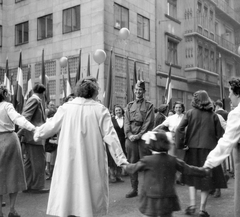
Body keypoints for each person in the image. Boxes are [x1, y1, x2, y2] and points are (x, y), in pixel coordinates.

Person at [33, 76, 128, 217]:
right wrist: (121, 160)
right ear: (94, 92)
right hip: (92, 160)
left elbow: (50, 126)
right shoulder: (100, 109)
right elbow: (111, 137)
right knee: (90, 195)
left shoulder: (66, 108)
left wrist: (37, 133)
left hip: (69, 159)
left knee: (69, 193)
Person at [123, 130, 209, 217]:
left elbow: (133, 168)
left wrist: (123, 165)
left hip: (151, 196)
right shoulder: (173, 160)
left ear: (151, 145)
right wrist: (204, 171)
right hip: (168, 197)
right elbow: (188, 169)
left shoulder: (147, 160)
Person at [175, 90, 227, 217]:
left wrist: (181, 145)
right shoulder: (214, 116)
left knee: (191, 177)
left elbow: (179, 129)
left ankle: (192, 205)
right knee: (206, 179)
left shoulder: (189, 113)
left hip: (192, 149)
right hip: (209, 151)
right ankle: (202, 209)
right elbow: (220, 135)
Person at [203, 78, 240, 217]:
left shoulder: (236, 113)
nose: (229, 96)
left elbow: (226, 142)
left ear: (238, 94)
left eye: (230, 92)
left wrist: (209, 162)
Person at [0, 87, 35, 217]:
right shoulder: (7, 106)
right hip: (9, 141)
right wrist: (33, 128)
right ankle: (12, 210)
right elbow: (18, 119)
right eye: (8, 93)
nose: (10, 95)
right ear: (4, 94)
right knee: (13, 175)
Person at [124, 80, 155, 198]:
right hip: (131, 139)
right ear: (134, 91)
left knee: (146, 163)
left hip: (142, 139)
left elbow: (149, 122)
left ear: (144, 91)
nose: (138, 92)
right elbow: (126, 122)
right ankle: (134, 189)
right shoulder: (129, 105)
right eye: (136, 90)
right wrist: (129, 134)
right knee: (132, 163)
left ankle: (148, 189)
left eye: (140, 90)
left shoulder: (149, 105)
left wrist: (139, 135)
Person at [19, 83, 49, 193]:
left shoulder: (34, 100)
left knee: (29, 162)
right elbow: (25, 117)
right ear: (43, 93)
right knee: (39, 162)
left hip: (30, 137)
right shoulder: (35, 100)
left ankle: (27, 185)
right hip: (33, 137)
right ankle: (37, 186)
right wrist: (22, 132)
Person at [108, 104, 126, 183]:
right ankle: (112, 175)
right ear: (114, 112)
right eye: (116, 110)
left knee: (121, 157)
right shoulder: (111, 120)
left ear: (122, 110)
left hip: (123, 141)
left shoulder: (126, 119)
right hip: (113, 141)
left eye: (119, 110)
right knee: (112, 158)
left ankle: (119, 175)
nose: (118, 111)